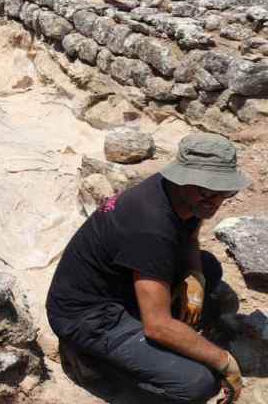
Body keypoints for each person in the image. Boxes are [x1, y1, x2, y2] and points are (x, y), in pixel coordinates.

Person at [46, 133, 248, 403]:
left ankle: (146, 348)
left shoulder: (177, 195)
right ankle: (94, 367)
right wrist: (224, 361)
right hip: (88, 318)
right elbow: (157, 326)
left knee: (208, 268)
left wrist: (195, 276)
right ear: (182, 178)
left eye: (224, 191)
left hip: (121, 284)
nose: (214, 200)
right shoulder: (150, 226)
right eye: (206, 190)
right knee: (199, 383)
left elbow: (189, 236)